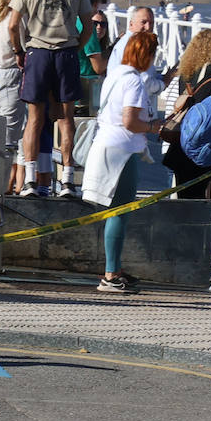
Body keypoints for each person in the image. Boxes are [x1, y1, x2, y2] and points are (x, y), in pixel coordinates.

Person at [7, 0, 93, 199]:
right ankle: (67, 180)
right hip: (66, 52)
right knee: (66, 119)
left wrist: (19, 50)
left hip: (38, 52)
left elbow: (12, 24)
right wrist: (76, 47)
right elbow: (88, 24)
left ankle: (30, 179)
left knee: (35, 118)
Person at [82, 30, 160, 295]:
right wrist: (152, 127)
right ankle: (111, 273)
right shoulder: (134, 82)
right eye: (152, 54)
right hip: (121, 151)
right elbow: (130, 121)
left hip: (107, 145)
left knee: (116, 210)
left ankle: (113, 269)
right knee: (120, 211)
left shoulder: (115, 74)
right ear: (145, 54)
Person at [160, 29, 211, 200]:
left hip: (181, 142)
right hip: (200, 144)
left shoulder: (186, 74)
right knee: (197, 196)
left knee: (184, 194)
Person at [0, 0, 25, 195]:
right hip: (11, 72)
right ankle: (0, 189)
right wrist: (20, 51)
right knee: (9, 138)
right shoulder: (16, 16)